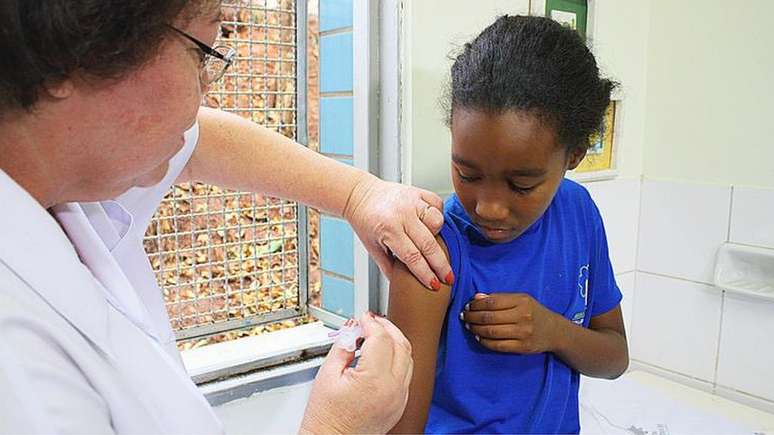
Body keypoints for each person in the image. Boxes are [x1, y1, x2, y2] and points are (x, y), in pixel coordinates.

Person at [0, 1, 452, 433]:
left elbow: (194, 140)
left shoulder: (66, 180)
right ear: (75, 51)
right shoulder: (20, 365)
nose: (206, 88)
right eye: (200, 51)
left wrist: (358, 194)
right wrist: (336, 428)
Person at [388, 15, 629, 434]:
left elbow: (615, 358)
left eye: (522, 184)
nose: (490, 208)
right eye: (467, 174)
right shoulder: (432, 249)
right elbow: (400, 425)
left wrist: (554, 331)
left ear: (572, 156)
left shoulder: (579, 213)